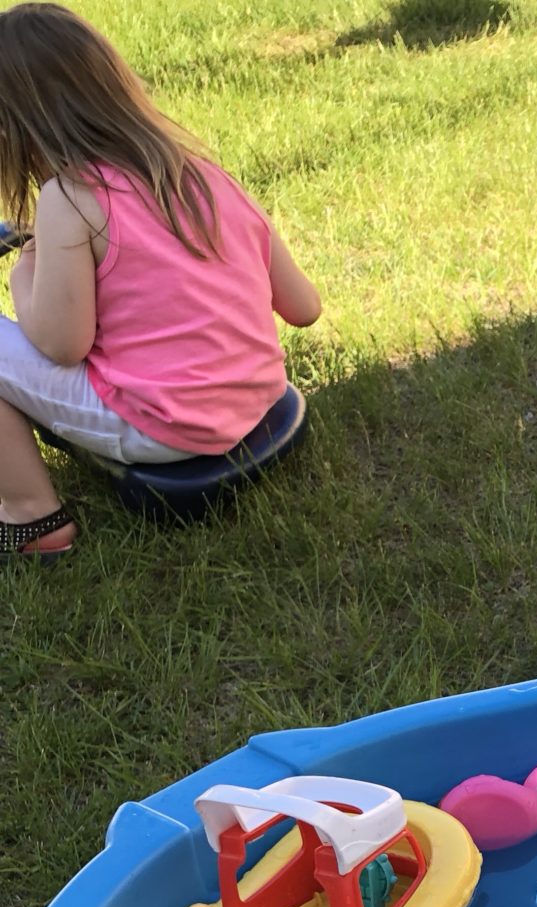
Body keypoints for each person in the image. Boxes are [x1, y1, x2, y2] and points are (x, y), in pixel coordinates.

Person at [0, 3, 321, 556]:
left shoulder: (69, 196)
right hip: (257, 401)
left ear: (20, 124)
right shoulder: (204, 172)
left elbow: (62, 343)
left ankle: (33, 518)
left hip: (165, 428)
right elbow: (304, 306)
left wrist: (25, 276)